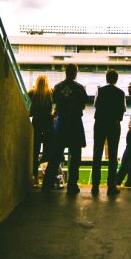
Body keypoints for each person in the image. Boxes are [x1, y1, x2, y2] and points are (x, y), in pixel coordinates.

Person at [42, 63, 88, 196]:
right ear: (75, 73)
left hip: (61, 125)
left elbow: (54, 102)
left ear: (66, 72)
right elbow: (83, 105)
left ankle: (47, 185)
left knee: (55, 156)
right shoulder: (79, 88)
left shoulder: (57, 87)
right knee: (75, 156)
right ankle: (72, 185)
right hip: (74, 124)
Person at [90, 69, 126, 196]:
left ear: (106, 79)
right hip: (114, 124)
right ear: (116, 79)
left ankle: (95, 185)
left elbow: (96, 105)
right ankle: (111, 185)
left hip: (100, 123)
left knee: (97, 153)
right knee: (113, 154)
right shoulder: (121, 93)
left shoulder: (100, 90)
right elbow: (123, 110)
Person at [28, 75, 53, 186]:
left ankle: (35, 176)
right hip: (48, 121)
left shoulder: (32, 92)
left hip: (37, 121)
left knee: (35, 149)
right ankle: (47, 176)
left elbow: (30, 110)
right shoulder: (50, 93)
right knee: (48, 149)